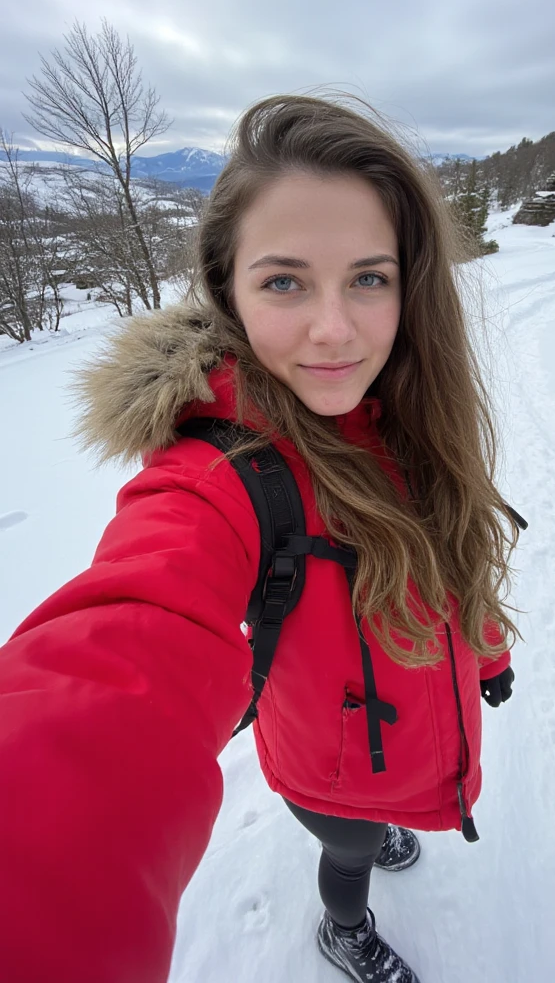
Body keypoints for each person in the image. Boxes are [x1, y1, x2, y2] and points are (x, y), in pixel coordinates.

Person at [0, 93, 520, 983]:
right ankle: (342, 929)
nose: (335, 329)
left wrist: (487, 654)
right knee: (351, 851)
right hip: (332, 771)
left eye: (369, 276)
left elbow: (452, 572)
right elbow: (113, 669)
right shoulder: (221, 476)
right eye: (284, 281)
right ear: (228, 289)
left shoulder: (411, 417)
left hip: (418, 735)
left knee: (375, 828)